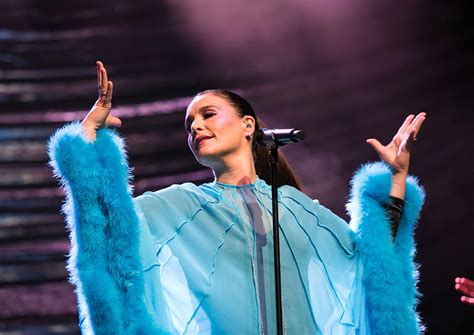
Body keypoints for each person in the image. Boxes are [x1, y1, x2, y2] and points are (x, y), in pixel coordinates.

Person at [48, 61, 426, 334]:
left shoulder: (298, 210)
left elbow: (368, 265)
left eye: (208, 114)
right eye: (189, 125)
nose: (196, 126)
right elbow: (111, 235)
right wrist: (86, 148)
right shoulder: (177, 207)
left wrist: (395, 178)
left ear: (249, 126)